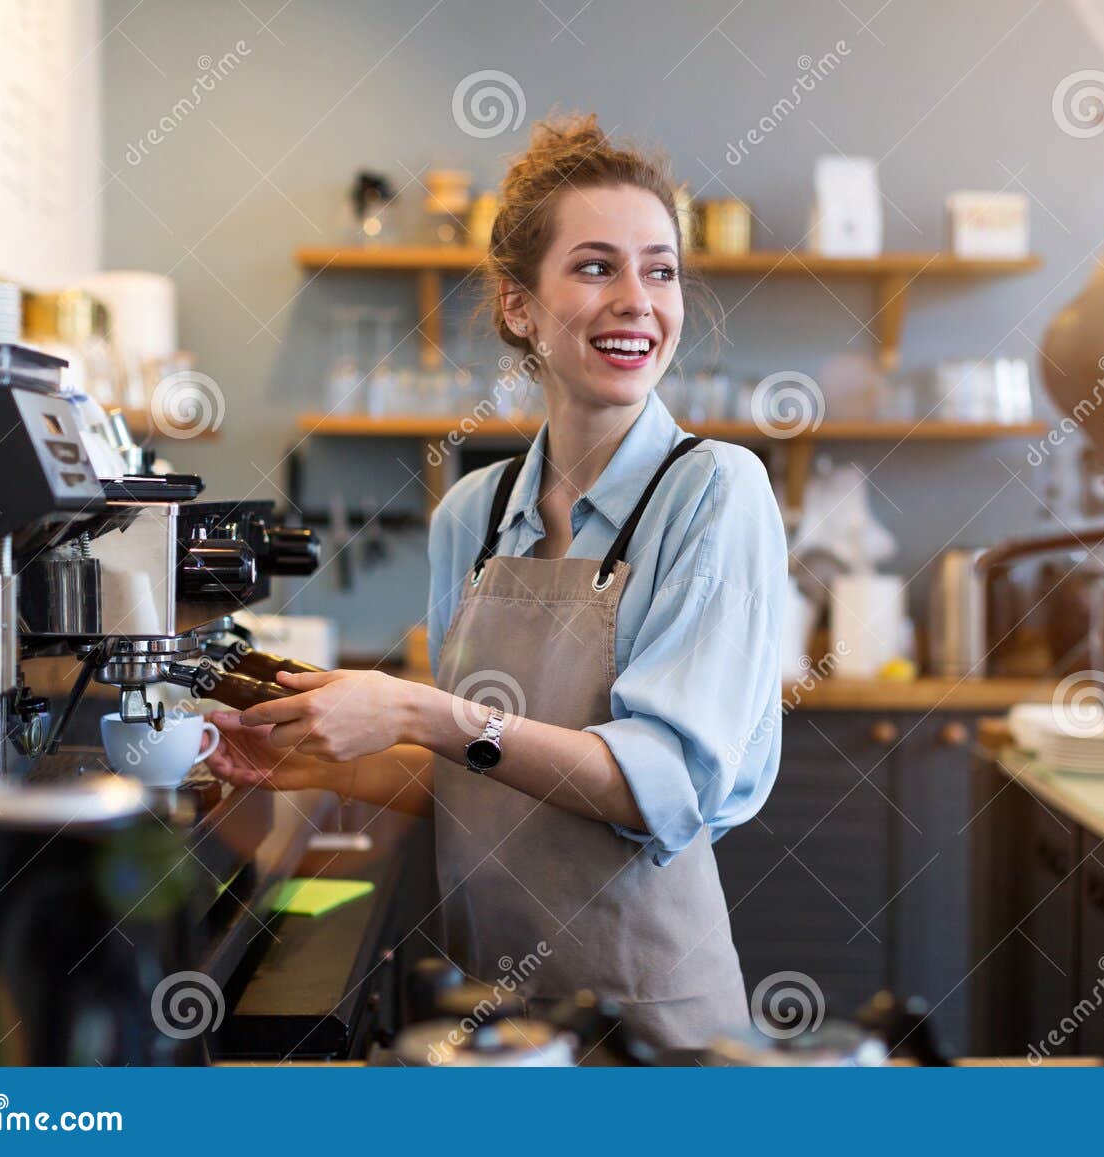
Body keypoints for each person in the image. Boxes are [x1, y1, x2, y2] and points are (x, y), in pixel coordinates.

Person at [208, 114, 786, 1048]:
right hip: (489, 1018)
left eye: (661, 268)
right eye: (597, 267)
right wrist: (311, 759)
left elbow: (661, 788)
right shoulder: (470, 513)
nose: (638, 299)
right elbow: (478, 774)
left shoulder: (716, 490)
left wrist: (413, 711)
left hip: (648, 1022)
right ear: (519, 306)